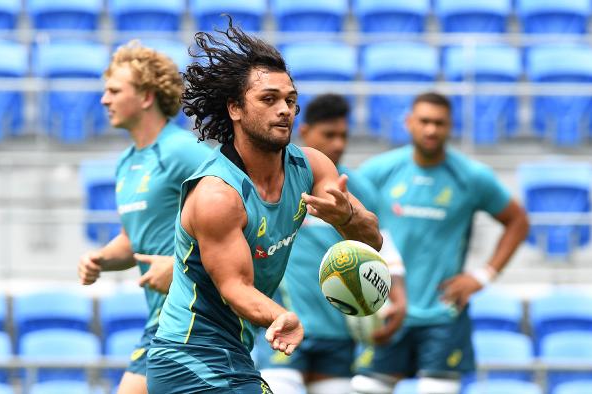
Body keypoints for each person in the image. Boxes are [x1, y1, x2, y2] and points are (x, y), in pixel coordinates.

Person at [146, 18, 403, 393]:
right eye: (268, 99)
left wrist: (346, 216)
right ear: (234, 108)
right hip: (189, 357)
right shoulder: (218, 194)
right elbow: (235, 286)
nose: (284, 109)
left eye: (290, 100)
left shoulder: (312, 166)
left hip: (232, 355)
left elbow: (372, 241)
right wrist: (280, 315)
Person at [351, 92, 529, 394]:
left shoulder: (471, 177)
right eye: (424, 121)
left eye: (439, 123)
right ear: (409, 123)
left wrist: (483, 276)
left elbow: (518, 221)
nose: (431, 129)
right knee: (365, 388)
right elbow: (350, 222)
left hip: (443, 314)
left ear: (450, 127)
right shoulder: (379, 171)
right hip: (390, 310)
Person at [77, 42, 211, 394]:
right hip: (160, 317)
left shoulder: (182, 151)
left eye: (114, 90)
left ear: (147, 96)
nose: (105, 100)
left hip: (194, 315)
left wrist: (180, 268)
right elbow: (133, 238)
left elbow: (238, 217)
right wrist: (101, 259)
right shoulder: (125, 164)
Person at [259, 93, 406, 394]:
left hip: (338, 330)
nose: (338, 143)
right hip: (284, 322)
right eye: (329, 135)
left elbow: (384, 247)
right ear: (305, 131)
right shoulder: (276, 180)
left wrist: (398, 298)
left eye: (343, 135)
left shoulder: (358, 187)